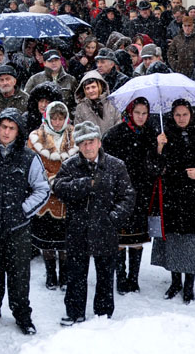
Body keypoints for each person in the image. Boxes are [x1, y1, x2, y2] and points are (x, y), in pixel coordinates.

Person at [0, 108, 49, 335]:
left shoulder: (29, 157)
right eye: (3, 127)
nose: (6, 132)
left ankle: (22, 314)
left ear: (18, 131)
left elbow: (42, 189)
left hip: (18, 227)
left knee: (19, 274)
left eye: (11, 128)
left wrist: (22, 211)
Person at [53, 121, 136, 325]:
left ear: (99, 142)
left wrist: (113, 218)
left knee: (106, 274)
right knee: (76, 274)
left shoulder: (116, 165)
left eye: (91, 142)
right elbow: (59, 189)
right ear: (78, 146)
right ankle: (74, 312)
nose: (88, 147)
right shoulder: (70, 165)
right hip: (77, 228)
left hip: (106, 229)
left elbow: (127, 196)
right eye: (83, 143)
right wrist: (84, 184)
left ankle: (104, 313)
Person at [150, 100, 195, 303]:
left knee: (192, 242)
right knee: (173, 240)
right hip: (172, 198)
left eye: (184, 114)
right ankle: (175, 282)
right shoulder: (164, 137)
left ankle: (189, 284)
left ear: (191, 114)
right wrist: (159, 148)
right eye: (177, 115)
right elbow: (154, 167)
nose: (181, 119)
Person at [102, 98, 156, 294]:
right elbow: (106, 164)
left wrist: (159, 148)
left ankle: (134, 277)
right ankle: (121, 276)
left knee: (137, 238)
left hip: (143, 192)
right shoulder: (115, 134)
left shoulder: (152, 134)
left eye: (144, 113)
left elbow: (156, 165)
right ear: (130, 113)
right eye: (137, 113)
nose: (141, 117)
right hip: (120, 192)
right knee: (120, 238)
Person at [27, 100, 76, 290]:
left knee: (64, 240)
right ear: (47, 118)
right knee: (47, 240)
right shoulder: (36, 138)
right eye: (53, 118)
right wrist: (50, 180)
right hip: (45, 197)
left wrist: (65, 181)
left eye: (60, 118)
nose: (57, 122)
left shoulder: (74, 136)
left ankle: (64, 273)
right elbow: (33, 164)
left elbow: (80, 162)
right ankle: (50, 273)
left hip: (67, 197)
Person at [72, 70, 120, 134]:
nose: (90, 91)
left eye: (93, 87)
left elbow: (118, 126)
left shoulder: (112, 103)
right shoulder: (81, 108)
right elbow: (78, 131)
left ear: (100, 87)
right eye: (87, 88)